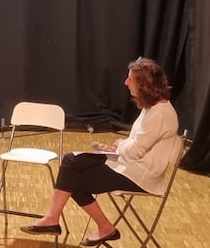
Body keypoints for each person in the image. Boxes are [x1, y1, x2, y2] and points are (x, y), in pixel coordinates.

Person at [20, 57, 180, 246]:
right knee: (71, 163)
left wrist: (117, 147)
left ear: (144, 85)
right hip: (131, 164)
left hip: (140, 175)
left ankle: (68, 221)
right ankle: (58, 219)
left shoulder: (159, 114)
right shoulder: (153, 108)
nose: (126, 82)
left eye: (130, 79)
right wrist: (116, 147)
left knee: (73, 177)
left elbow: (135, 151)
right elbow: (137, 143)